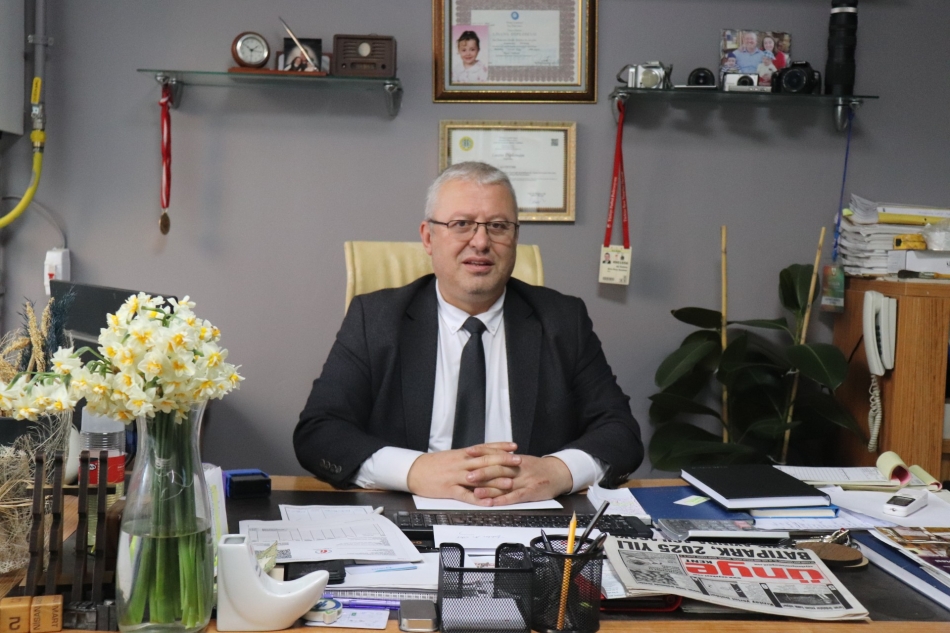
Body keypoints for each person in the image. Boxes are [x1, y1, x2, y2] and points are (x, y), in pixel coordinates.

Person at [294, 162, 643, 506]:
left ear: (515, 237)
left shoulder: (563, 320)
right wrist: (413, 470)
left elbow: (620, 432)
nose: (481, 242)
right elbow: (319, 432)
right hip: (409, 516)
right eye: (461, 224)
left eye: (498, 226)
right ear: (428, 237)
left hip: (529, 517)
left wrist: (558, 471)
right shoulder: (376, 319)